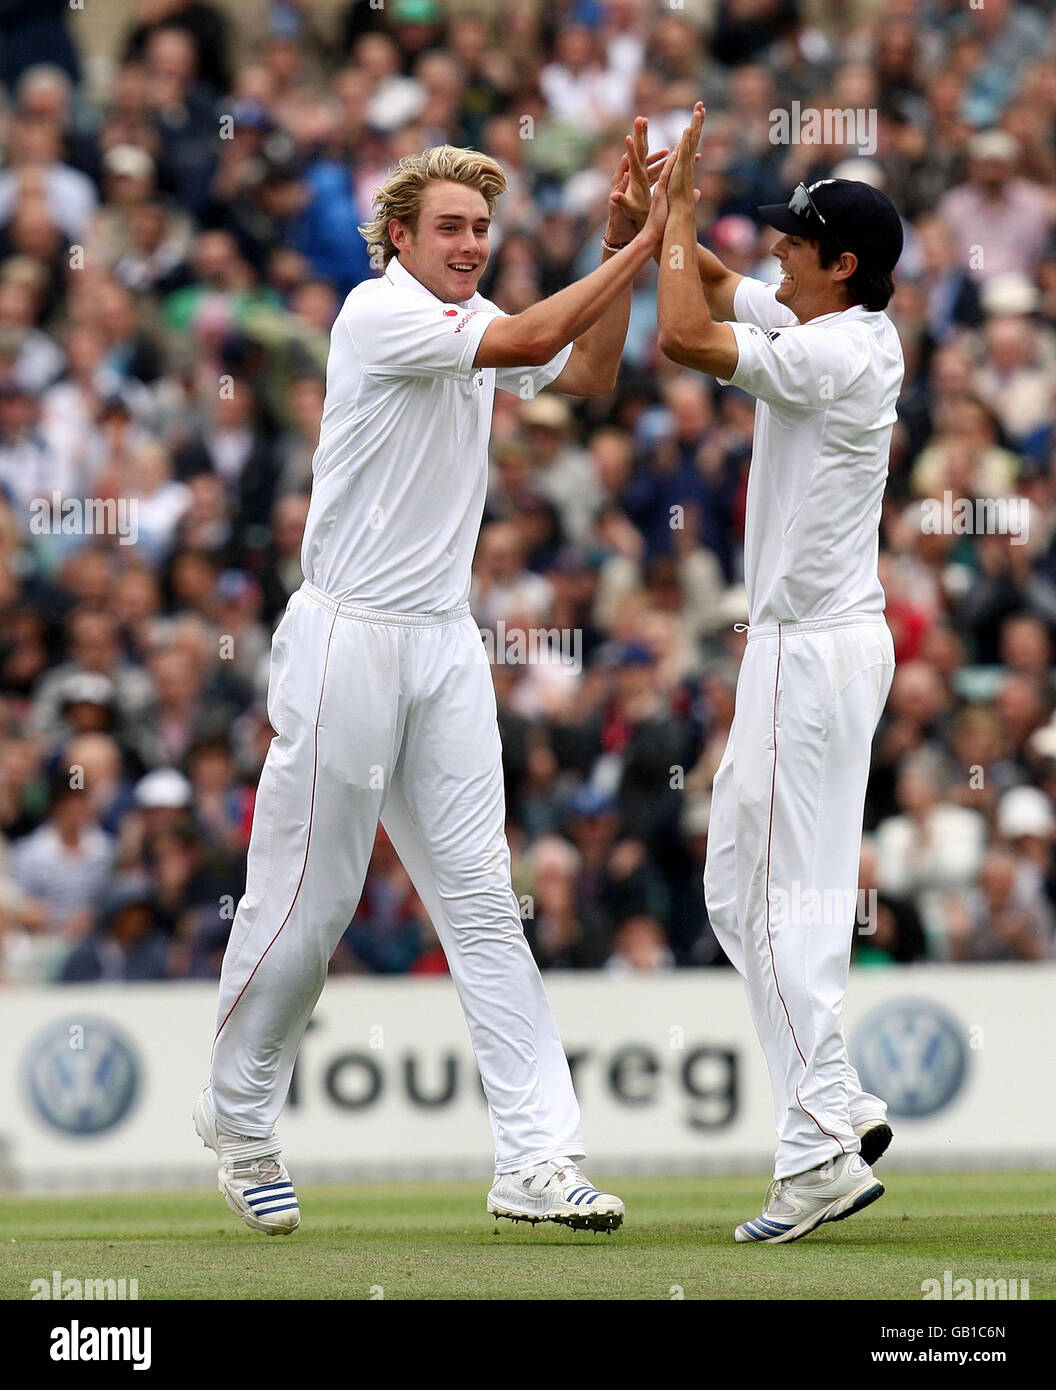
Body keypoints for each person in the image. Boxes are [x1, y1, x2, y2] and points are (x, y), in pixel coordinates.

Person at [194, 127, 674, 1236]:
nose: (470, 242)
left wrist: (612, 240)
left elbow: (588, 369)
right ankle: (242, 1123)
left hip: (444, 644)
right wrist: (645, 243)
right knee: (308, 910)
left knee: (486, 909)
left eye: (480, 227)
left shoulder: (473, 319)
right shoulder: (380, 312)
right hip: (343, 639)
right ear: (398, 238)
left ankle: (539, 1162)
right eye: (449, 227)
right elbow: (543, 333)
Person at [633, 106, 905, 1242]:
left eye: (796, 245)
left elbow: (684, 342)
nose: (777, 255)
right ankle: (833, 1098)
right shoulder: (827, 318)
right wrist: (659, 226)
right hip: (806, 649)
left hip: (813, 650)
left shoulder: (835, 350)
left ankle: (814, 1156)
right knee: (735, 888)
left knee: (791, 905)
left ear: (842, 267)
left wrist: (680, 213)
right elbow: (716, 283)